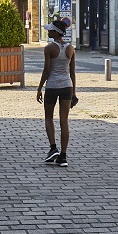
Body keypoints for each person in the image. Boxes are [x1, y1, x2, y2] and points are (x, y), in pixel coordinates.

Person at [36, 18, 76, 167]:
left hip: (52, 86)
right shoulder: (70, 48)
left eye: (50, 30)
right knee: (64, 121)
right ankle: (63, 156)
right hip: (67, 86)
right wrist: (74, 93)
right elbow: (72, 72)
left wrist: (40, 88)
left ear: (55, 32)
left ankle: (53, 148)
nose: (48, 31)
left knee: (48, 117)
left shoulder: (49, 48)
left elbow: (46, 71)